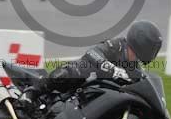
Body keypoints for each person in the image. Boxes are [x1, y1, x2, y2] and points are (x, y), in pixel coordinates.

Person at [24, 21, 162, 98]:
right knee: (77, 69)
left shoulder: (135, 68)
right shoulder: (117, 45)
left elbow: (140, 83)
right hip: (84, 78)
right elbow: (93, 52)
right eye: (152, 47)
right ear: (141, 41)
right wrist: (112, 68)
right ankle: (33, 91)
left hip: (97, 95)